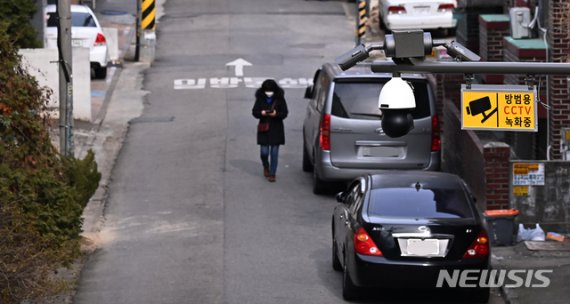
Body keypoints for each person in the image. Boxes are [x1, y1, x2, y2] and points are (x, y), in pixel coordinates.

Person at [252, 79, 288, 182]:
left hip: (276, 128)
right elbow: (254, 112)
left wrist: (276, 114)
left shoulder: (280, 99)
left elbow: (285, 113)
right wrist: (261, 113)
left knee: (274, 153)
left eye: (270, 90)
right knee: (264, 152)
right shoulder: (260, 98)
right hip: (264, 128)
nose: (268, 92)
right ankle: (265, 166)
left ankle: (272, 173)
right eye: (267, 90)